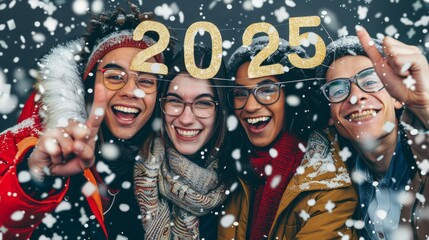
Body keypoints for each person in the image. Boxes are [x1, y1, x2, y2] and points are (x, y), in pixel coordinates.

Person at [0, 4, 174, 239]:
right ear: (88, 86)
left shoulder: (165, 166)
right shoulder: (18, 145)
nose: (131, 91)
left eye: (145, 81)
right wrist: (34, 178)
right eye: (114, 77)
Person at [217, 36, 358, 239]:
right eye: (241, 93)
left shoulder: (330, 187)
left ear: (291, 99)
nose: (249, 106)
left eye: (266, 90)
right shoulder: (234, 172)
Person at [316, 27, 429, 239]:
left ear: (396, 98)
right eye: (338, 90)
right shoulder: (334, 186)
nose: (355, 97)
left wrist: (426, 106)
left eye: (370, 81)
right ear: (331, 115)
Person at [133, 44, 232, 239]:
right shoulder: (129, 170)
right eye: (175, 101)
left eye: (203, 103)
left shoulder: (241, 182)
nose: (186, 118)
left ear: (220, 112)